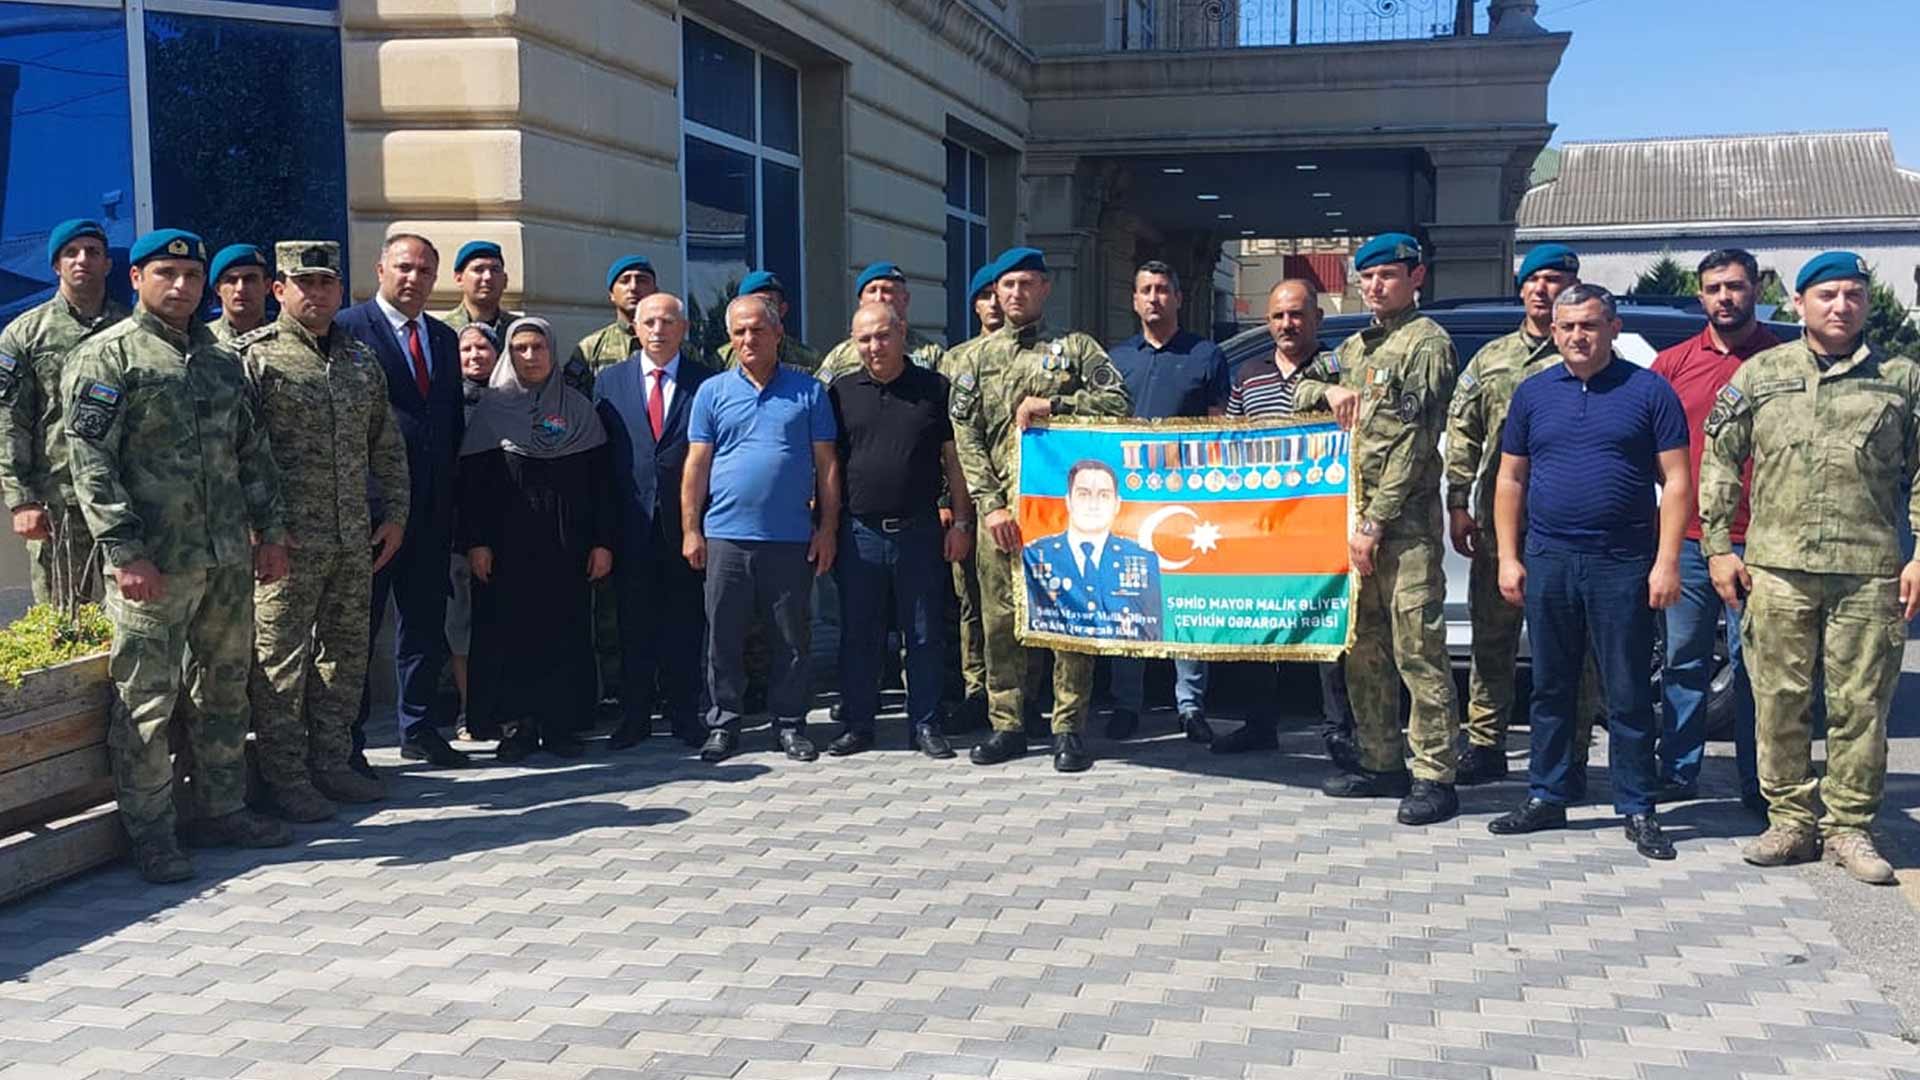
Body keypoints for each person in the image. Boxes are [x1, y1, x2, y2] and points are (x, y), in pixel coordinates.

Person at [63, 228, 293, 883]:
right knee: (147, 702)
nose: (182, 286)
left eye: (192, 276)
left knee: (224, 689)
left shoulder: (220, 360)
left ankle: (221, 809)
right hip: (154, 565)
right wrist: (124, 551)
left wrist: (271, 532)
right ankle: (153, 835)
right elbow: (91, 464)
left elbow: (251, 452)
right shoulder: (107, 357)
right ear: (136, 278)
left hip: (224, 559)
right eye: (166, 273)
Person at [1702, 251, 1920, 885]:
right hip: (1777, 569)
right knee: (1779, 700)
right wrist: (1718, 547)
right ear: (1799, 303)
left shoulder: (1901, 379)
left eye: (1853, 294)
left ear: (1867, 303)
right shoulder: (1762, 373)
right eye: (1827, 295)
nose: (1840, 306)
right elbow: (1719, 459)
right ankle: (1791, 821)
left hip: (1868, 569)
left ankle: (1849, 827)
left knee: (1861, 704)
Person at [1487, 284, 1691, 861]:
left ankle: (1638, 805)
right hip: (1550, 559)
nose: (1578, 336)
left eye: (1590, 325)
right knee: (1551, 686)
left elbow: (1677, 481)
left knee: (1627, 690)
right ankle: (1547, 795)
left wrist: (1667, 561)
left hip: (1621, 562)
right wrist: (1508, 556)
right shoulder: (1533, 394)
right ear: (1553, 331)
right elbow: (1510, 479)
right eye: (1568, 326)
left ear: (1613, 328)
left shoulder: (1648, 391)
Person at [236, 241, 409, 821]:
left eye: (326, 283)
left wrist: (396, 514)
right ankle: (285, 778)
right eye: (302, 282)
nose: (315, 293)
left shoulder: (360, 361)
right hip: (285, 545)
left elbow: (386, 445)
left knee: (345, 657)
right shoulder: (254, 359)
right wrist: (259, 530)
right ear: (279, 290)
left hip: (352, 540)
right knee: (279, 663)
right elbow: (237, 454)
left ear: (340, 290)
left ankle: (332, 763)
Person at [1293, 233, 1462, 826]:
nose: (1374, 286)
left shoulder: (1427, 344)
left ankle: (1436, 776)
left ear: (1416, 278)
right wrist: (1329, 388)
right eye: (1366, 277)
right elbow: (1300, 385)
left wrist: (1374, 522)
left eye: (1387, 275)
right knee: (1365, 650)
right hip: (1354, 527)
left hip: (1403, 529)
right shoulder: (1356, 348)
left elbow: (1414, 444)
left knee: (1418, 651)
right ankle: (1381, 760)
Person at [950, 247, 1130, 773]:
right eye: (1007, 285)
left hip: (1062, 515)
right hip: (1002, 516)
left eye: (1026, 283)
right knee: (1000, 622)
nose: (1015, 293)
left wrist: (1056, 405)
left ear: (1045, 289)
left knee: (1069, 618)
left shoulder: (1074, 349)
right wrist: (989, 506)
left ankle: (1068, 727)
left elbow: (1120, 403)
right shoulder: (975, 359)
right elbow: (966, 437)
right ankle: (1007, 723)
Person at [1443, 243, 1580, 786]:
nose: (1543, 289)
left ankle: (1568, 753)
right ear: (1521, 289)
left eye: (1555, 279)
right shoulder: (1491, 358)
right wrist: (1457, 502)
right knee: (1492, 640)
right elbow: (1462, 432)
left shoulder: (1586, 351)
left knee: (1568, 647)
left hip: (1565, 524)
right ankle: (1485, 743)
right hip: (1499, 525)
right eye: (1534, 280)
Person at [682, 294, 841, 762]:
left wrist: (827, 528)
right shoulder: (712, 392)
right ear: (729, 339)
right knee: (723, 638)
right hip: (726, 536)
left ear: (778, 334)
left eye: (757, 329)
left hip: (790, 538)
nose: (748, 339)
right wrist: (691, 529)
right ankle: (724, 723)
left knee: (791, 639)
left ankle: (790, 725)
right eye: (739, 332)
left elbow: (827, 466)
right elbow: (697, 465)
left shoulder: (809, 392)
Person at [1649, 249, 1778, 814]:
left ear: (1755, 290)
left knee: (1757, 668)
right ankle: (1678, 772)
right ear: (1700, 296)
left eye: (1735, 286)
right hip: (1689, 540)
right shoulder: (1672, 365)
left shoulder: (1782, 360)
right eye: (1714, 288)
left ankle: (1760, 782)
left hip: (1763, 542)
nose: (1725, 297)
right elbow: (1645, 445)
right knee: (1683, 661)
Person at [336, 233, 471, 769]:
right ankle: (348, 740)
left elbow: (449, 421)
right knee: (359, 627)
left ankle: (419, 728)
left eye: (424, 270)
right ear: (380, 269)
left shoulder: (442, 338)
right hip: (370, 509)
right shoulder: (348, 329)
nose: (413, 278)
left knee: (423, 624)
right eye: (404, 267)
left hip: (432, 507)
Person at [458, 317, 615, 761]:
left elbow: (602, 484)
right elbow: (472, 486)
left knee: (565, 632)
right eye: (520, 348)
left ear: (553, 351)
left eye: (538, 347)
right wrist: (476, 542)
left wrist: (603, 542)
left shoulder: (579, 410)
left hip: (568, 547)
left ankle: (561, 724)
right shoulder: (491, 411)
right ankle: (518, 726)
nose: (530, 356)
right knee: (510, 635)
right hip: (506, 549)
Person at [826, 302, 974, 757]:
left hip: (920, 531)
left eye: (882, 336)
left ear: (902, 333)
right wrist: (826, 526)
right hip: (859, 534)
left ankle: (925, 724)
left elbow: (955, 463)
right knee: (859, 634)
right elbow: (828, 466)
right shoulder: (840, 392)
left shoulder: (934, 388)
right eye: (864, 339)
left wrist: (961, 521)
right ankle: (858, 724)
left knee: (924, 633)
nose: (874, 346)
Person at [1223, 278, 1355, 762]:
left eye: (1297, 314)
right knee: (1258, 622)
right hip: (1263, 525)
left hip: (1322, 523)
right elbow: (1228, 442)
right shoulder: (1248, 374)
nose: (1287, 324)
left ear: (1317, 318)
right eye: (1278, 316)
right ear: (1267, 322)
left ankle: (1339, 731)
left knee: (1327, 627)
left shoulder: (1340, 369)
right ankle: (1259, 724)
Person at [1102, 260, 1224, 742]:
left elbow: (1218, 430)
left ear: (1178, 298)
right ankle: (1125, 704)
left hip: (1187, 502)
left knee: (1186, 605)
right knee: (1129, 601)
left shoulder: (1206, 356)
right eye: (1146, 290)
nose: (1154, 297)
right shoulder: (1116, 360)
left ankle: (1190, 706)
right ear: (1134, 300)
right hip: (1129, 503)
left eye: (1162, 289)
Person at [594, 292, 716, 749]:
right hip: (630, 525)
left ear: (684, 329)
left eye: (668, 322)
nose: (658, 330)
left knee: (686, 623)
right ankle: (635, 716)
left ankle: (685, 713)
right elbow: (600, 460)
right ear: (635, 328)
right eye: (649, 322)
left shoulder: (707, 383)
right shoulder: (609, 381)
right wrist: (602, 535)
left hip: (687, 526)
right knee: (632, 626)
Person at [0, 218, 128, 607]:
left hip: (125, 500)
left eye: (93, 252)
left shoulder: (132, 329)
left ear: (107, 263)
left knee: (133, 615)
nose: (82, 259)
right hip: (59, 501)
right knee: (64, 617)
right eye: (71, 253)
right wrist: (21, 499)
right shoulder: (26, 334)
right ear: (56, 265)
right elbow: (10, 421)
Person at [934, 259, 1006, 732]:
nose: (994, 304)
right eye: (984, 296)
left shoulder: (1038, 353)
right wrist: (947, 503)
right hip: (970, 503)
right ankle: (976, 690)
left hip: (1020, 499)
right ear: (974, 305)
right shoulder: (955, 360)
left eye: (999, 294)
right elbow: (944, 440)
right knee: (971, 603)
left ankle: (1020, 695)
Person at [1023, 459, 1162, 642]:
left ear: (1117, 504)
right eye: (1083, 494)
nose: (1093, 504)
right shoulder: (1036, 554)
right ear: (1068, 501)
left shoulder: (1142, 558)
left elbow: (1151, 632)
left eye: (1104, 495)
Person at [446, 323, 501, 737]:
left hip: (507, 529)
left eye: (483, 348)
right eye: (465, 349)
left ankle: (505, 708)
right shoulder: (446, 402)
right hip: (455, 530)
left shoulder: (513, 401)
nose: (474, 356)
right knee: (460, 627)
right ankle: (470, 711)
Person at [815, 262, 945, 382]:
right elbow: (819, 392)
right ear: (861, 301)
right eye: (872, 290)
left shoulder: (931, 354)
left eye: (887, 290)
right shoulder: (841, 356)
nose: (879, 298)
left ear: (905, 299)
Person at [566, 255, 657, 394]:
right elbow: (573, 399)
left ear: (655, 291)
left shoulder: (675, 346)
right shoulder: (589, 349)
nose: (633, 287)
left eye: (642, 280)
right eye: (624, 281)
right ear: (612, 294)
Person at [718, 271, 819, 372]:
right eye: (755, 303)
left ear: (782, 310)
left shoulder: (808, 360)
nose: (763, 309)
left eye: (769, 304)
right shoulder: (722, 359)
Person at [439, 240, 519, 340]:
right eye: (479, 270)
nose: (488, 277)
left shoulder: (519, 331)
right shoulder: (443, 331)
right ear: (459, 279)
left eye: (495, 270)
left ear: (505, 280)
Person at [207, 244, 270, 343]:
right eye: (231, 280)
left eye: (250, 280)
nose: (240, 288)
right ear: (218, 289)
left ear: (267, 286)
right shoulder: (198, 340)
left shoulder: (287, 340)